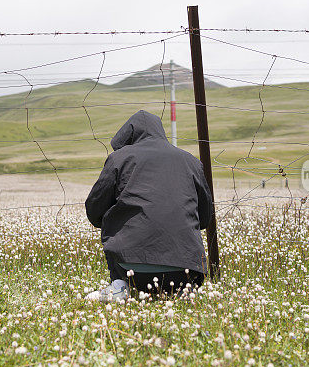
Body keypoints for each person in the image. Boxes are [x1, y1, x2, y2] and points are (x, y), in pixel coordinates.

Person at [85, 110, 213, 301]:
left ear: (127, 136)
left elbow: (94, 210)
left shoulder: (119, 158)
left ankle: (120, 286)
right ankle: (186, 291)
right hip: (187, 271)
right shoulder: (191, 161)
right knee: (181, 281)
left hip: (132, 271)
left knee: (113, 227)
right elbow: (205, 218)